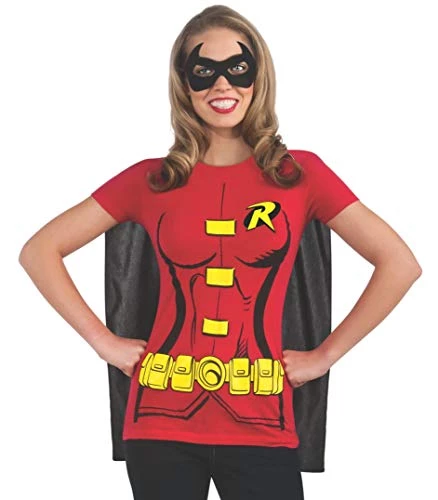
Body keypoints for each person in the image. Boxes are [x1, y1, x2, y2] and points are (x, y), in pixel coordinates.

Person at [18, 5, 422, 500]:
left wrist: (324, 357)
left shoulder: (299, 176)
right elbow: (40, 250)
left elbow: (399, 264)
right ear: (184, 83)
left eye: (238, 68)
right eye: (203, 71)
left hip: (262, 419)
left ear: (258, 77)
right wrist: (105, 343)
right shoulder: (152, 180)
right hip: (161, 419)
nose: (222, 85)